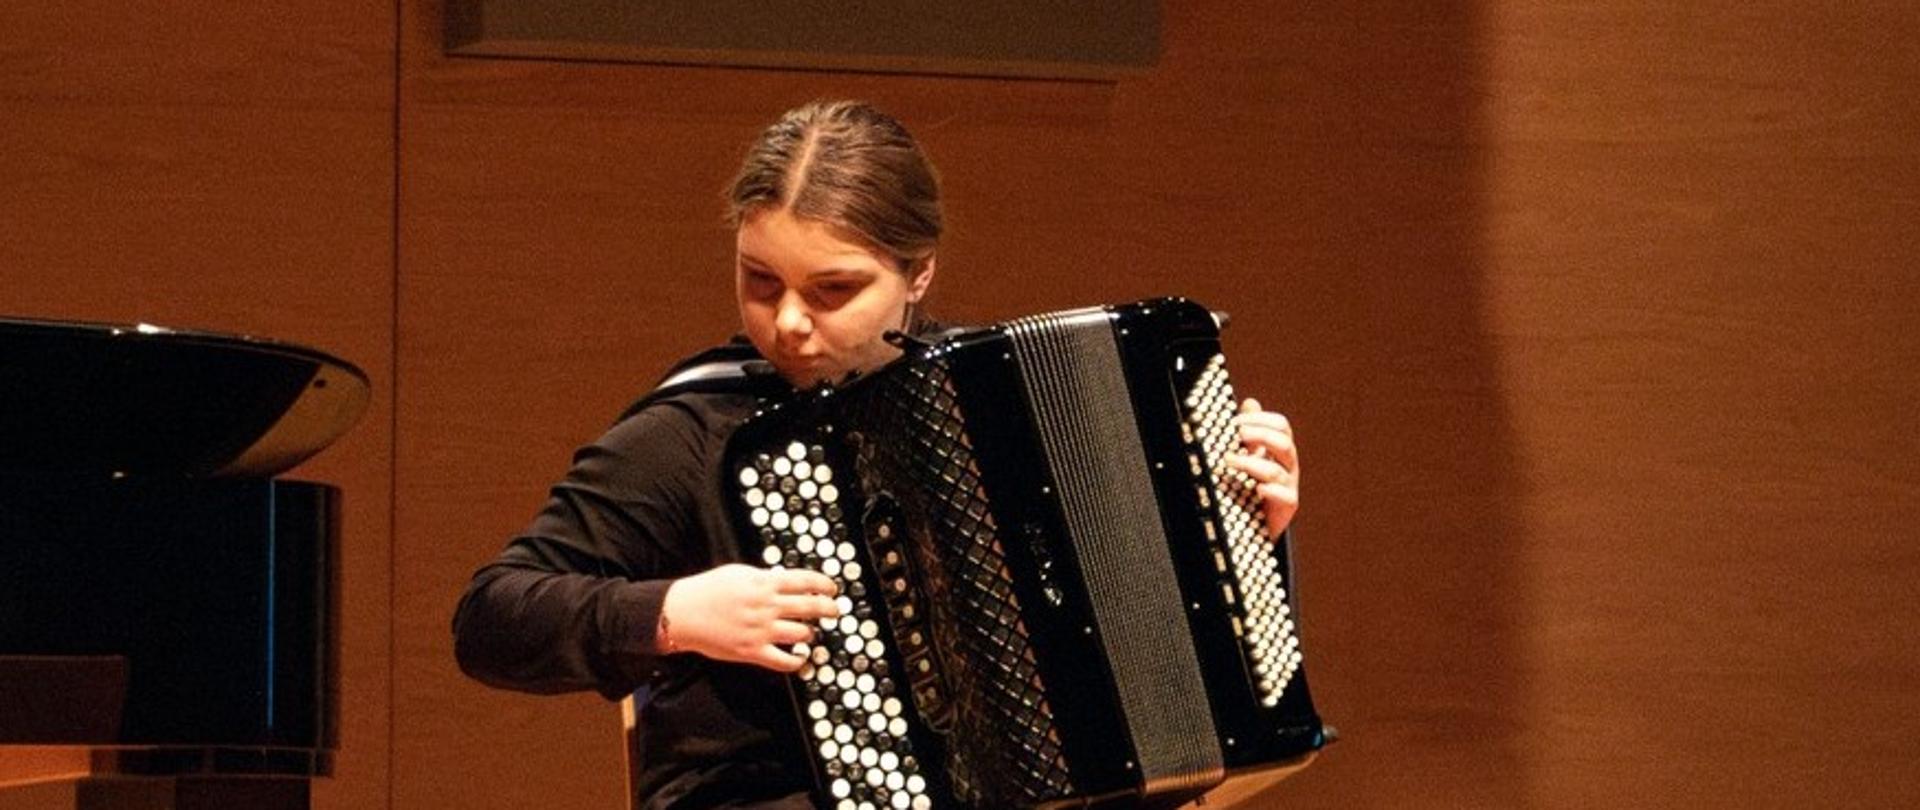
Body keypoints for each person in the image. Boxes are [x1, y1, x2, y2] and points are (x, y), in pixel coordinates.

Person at [451, 100, 1303, 809]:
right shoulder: (694, 432)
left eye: (832, 290)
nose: (788, 321)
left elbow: (1157, 627)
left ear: (918, 273)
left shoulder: (1014, 406)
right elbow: (493, 618)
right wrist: (673, 613)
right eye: (760, 281)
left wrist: (1239, 523)